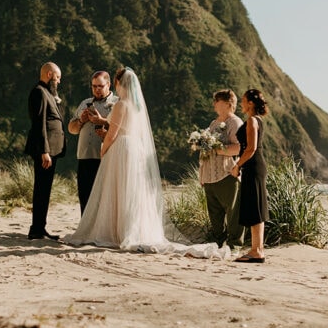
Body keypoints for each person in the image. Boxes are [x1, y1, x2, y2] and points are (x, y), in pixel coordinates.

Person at [64, 67, 226, 259]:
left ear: (116, 83)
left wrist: (104, 149)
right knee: (132, 191)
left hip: (121, 149)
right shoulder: (137, 105)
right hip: (134, 149)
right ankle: (132, 229)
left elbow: (112, 135)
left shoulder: (120, 104)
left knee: (118, 190)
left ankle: (118, 231)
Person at [24, 62, 65, 240]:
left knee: (45, 189)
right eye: (57, 77)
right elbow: (39, 124)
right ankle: (37, 229)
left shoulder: (47, 92)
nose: (59, 81)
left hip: (50, 150)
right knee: (41, 189)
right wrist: (44, 151)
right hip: (45, 151)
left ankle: (40, 227)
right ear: (49, 74)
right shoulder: (39, 92)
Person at [199, 89, 244, 249]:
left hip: (227, 174)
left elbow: (239, 148)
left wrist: (216, 149)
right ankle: (218, 244)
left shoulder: (236, 123)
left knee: (233, 213)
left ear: (227, 103)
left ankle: (234, 246)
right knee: (215, 215)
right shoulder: (213, 123)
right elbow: (206, 149)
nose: (214, 104)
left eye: (216, 100)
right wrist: (202, 175)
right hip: (210, 176)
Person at [67, 70, 118, 214]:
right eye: (94, 86)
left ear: (108, 84)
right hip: (84, 156)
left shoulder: (117, 103)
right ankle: (85, 229)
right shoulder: (85, 103)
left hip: (106, 158)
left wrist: (102, 121)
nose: (96, 89)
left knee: (104, 199)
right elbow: (72, 129)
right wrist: (81, 120)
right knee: (85, 196)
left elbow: (123, 130)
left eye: (100, 86)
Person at [231, 88, 269, 262]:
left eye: (244, 100)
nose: (242, 103)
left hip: (253, 166)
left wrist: (237, 165)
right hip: (255, 166)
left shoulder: (253, 120)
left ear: (251, 103)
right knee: (257, 207)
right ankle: (257, 249)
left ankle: (256, 250)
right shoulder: (258, 120)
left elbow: (251, 148)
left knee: (255, 207)